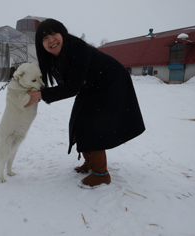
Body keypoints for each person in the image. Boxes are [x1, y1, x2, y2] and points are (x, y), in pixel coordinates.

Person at [25, 19, 145, 188]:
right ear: (41, 45)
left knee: (93, 125)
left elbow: (72, 87)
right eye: (45, 38)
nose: (51, 40)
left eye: (53, 34)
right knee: (80, 120)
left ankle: (101, 174)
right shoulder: (55, 58)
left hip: (111, 83)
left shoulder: (77, 48)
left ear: (63, 33)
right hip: (91, 86)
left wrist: (41, 95)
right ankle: (90, 162)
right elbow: (72, 84)